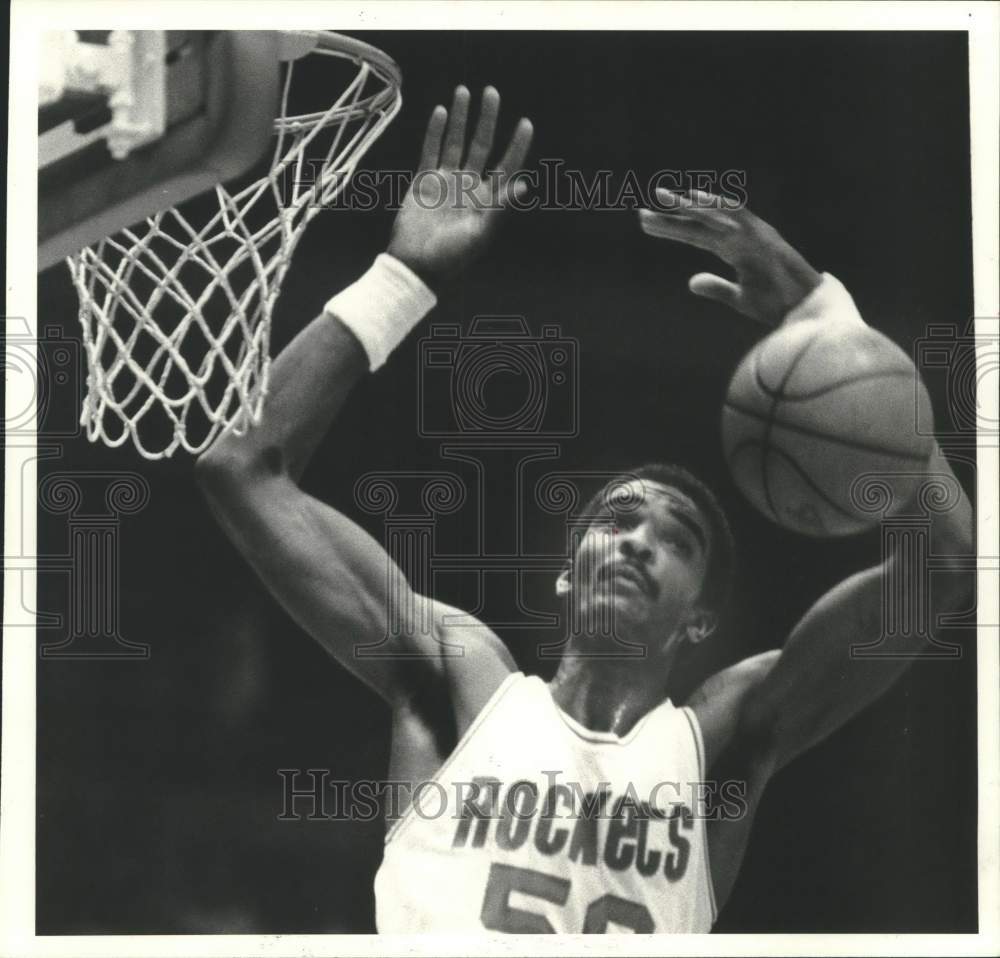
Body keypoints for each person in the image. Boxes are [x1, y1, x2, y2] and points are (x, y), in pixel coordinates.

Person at [195, 86, 974, 933]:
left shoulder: (721, 743)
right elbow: (243, 466)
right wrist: (403, 278)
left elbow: (943, 567)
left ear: (702, 621)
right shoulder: (465, 682)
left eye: (676, 540)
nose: (639, 542)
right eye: (616, 521)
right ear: (566, 579)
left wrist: (833, 329)